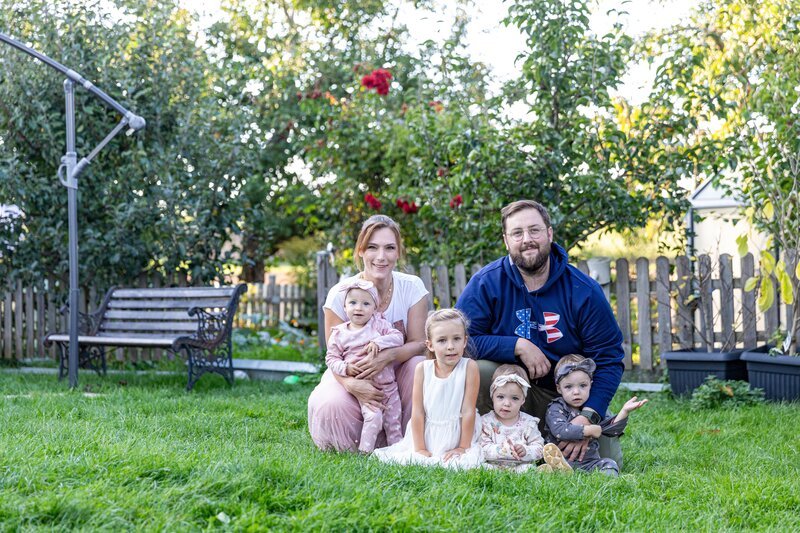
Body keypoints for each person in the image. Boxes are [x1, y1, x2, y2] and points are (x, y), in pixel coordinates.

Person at [455, 199, 626, 466]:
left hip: (566, 400)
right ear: (506, 240)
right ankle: (490, 444)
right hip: (509, 394)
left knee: (605, 459)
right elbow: (461, 341)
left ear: (549, 233)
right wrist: (516, 345)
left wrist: (587, 417)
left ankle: (545, 444)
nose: (527, 239)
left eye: (534, 230)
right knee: (477, 369)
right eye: (517, 233)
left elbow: (608, 358)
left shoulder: (583, 290)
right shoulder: (486, 283)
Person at [308, 215, 429, 452]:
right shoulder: (340, 294)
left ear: (398, 252)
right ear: (361, 251)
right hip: (353, 374)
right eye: (372, 247)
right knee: (331, 403)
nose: (381, 257)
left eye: (389, 248)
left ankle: (407, 442)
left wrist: (388, 355)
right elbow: (333, 355)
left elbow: (418, 343)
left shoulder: (412, 287)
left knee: (419, 366)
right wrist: (351, 384)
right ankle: (358, 445)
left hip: (397, 374)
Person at [373, 309, 482, 469]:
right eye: (442, 341)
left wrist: (463, 447)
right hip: (426, 433)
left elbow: (468, 411)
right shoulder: (422, 369)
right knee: (416, 460)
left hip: (458, 433)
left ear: (465, 341)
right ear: (430, 345)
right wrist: (420, 448)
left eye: (457, 339)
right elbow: (418, 412)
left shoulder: (469, 367)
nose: (451, 346)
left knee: (463, 463)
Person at [325, 279, 405, 453]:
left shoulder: (379, 325)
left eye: (366, 303)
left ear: (374, 309)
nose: (358, 308)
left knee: (394, 422)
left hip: (389, 387)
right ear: (345, 307)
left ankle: (397, 455)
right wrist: (345, 368)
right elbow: (331, 359)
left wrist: (380, 341)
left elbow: (398, 337)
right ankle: (365, 452)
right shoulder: (339, 333)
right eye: (353, 303)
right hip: (366, 387)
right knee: (373, 418)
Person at [544, 355, 648, 476]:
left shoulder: (593, 408)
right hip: (563, 460)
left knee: (610, 463)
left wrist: (624, 412)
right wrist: (588, 430)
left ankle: (609, 481)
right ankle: (557, 471)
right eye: (568, 386)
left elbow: (610, 430)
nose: (576, 392)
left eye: (583, 385)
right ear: (559, 388)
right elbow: (559, 430)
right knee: (553, 468)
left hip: (589, 463)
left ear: (591, 385)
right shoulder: (556, 407)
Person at [480, 364, 572, 473]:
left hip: (520, 465)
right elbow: (481, 448)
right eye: (500, 397)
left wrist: (525, 451)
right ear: (492, 396)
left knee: (527, 469)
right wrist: (505, 451)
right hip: (494, 465)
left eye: (514, 398)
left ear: (523, 400)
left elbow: (538, 448)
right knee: (483, 467)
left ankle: (546, 471)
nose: (507, 403)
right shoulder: (486, 422)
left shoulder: (528, 423)